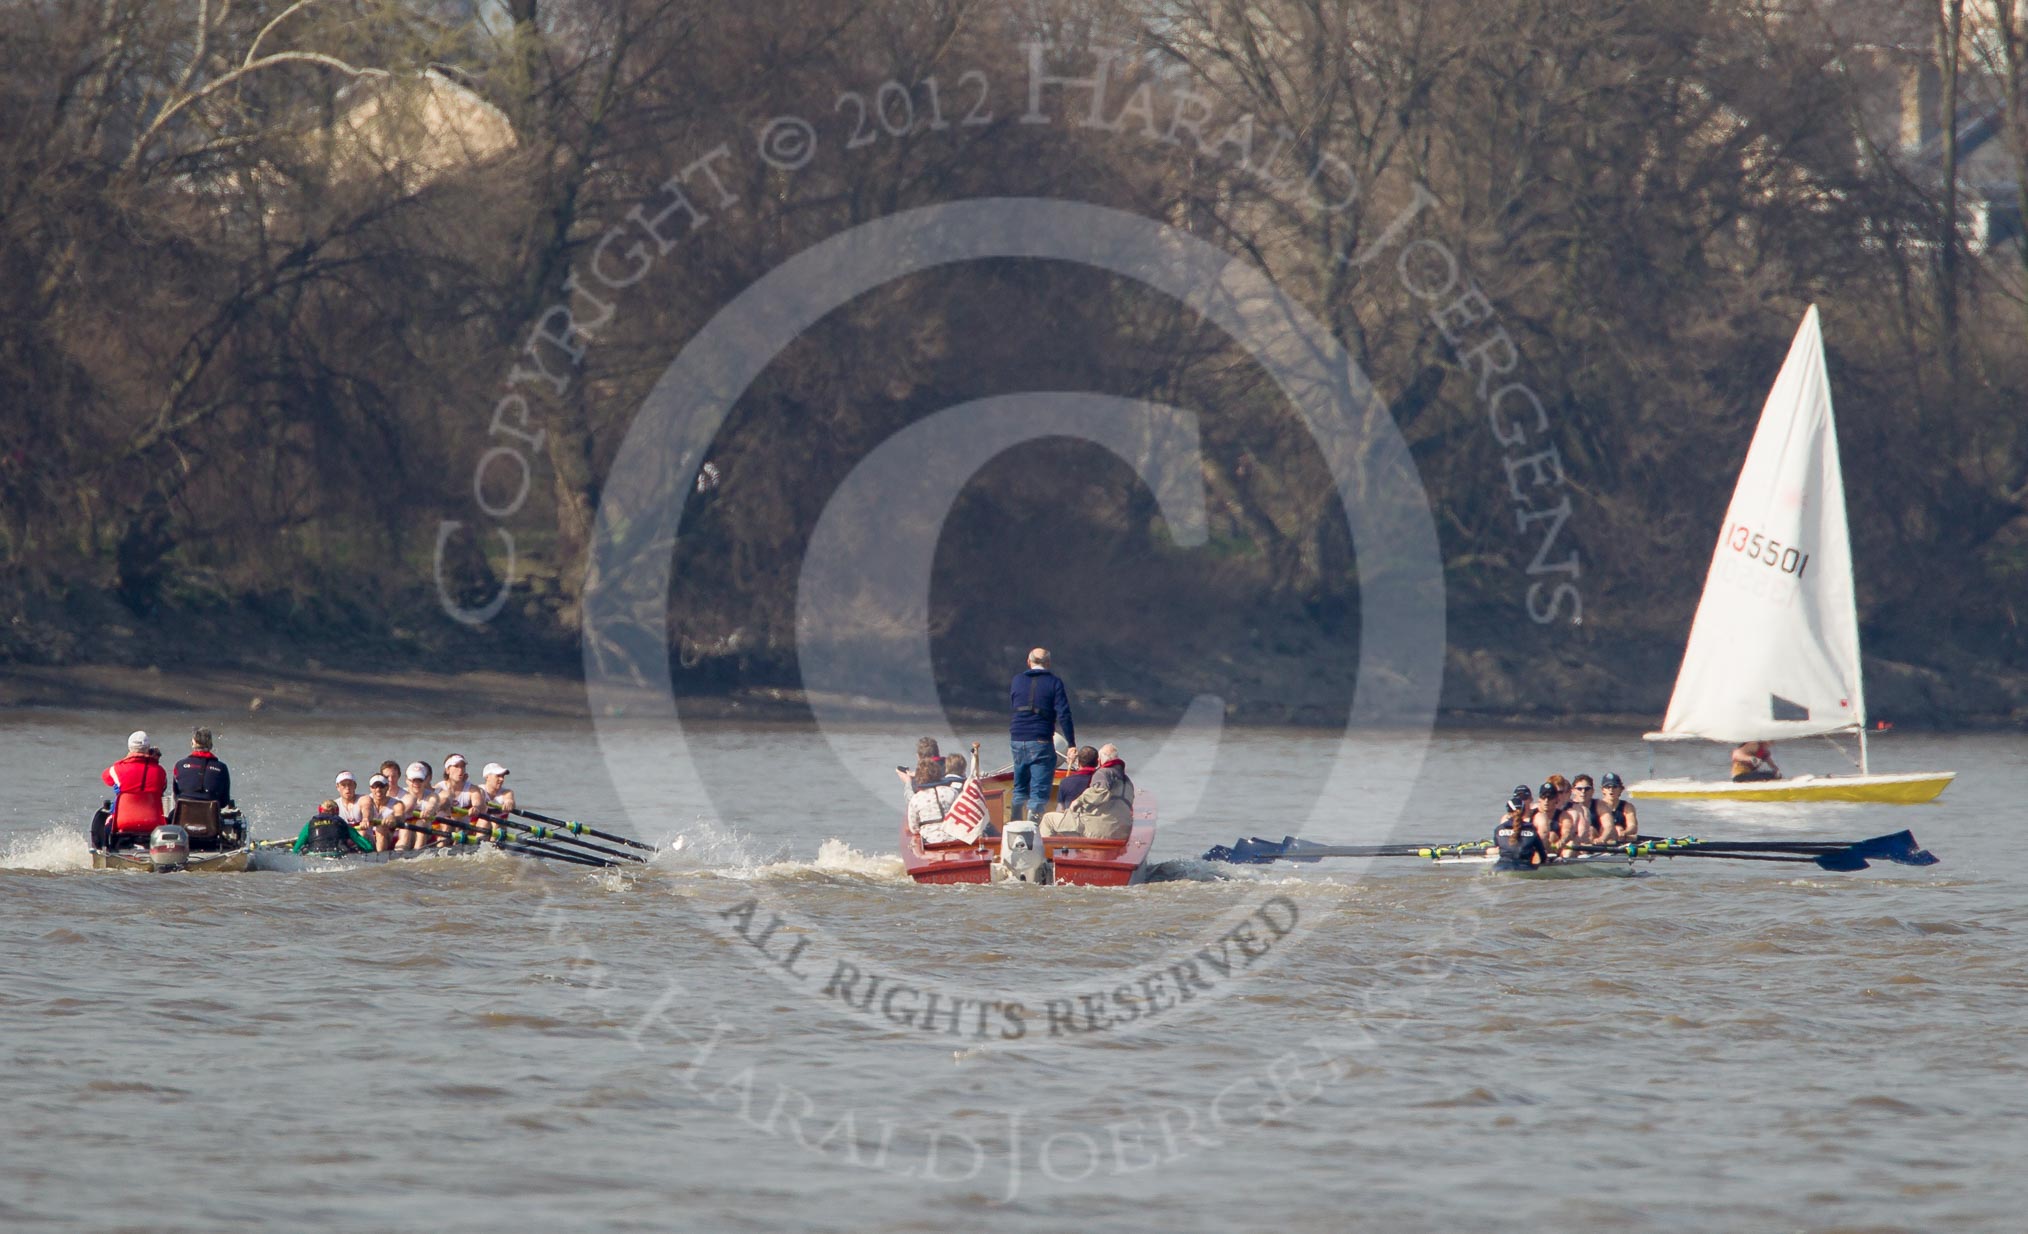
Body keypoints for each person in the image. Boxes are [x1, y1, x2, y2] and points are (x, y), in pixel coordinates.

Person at [1008, 648, 1075, 822]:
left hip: (1017, 737)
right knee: (1039, 790)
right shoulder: (1054, 682)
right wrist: (1072, 743)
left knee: (1020, 786)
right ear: (1048, 664)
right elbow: (1064, 714)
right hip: (1041, 739)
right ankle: (1032, 828)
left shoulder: (1017, 680)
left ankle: (1013, 823)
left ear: (1028, 662)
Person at [1042, 743, 1134, 840]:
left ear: (1100, 760)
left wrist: (1078, 801)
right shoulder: (1127, 781)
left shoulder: (1102, 774)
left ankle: (1046, 853)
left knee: (1048, 819)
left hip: (1097, 831)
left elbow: (1100, 793)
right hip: (1122, 832)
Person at [96, 730, 168, 850]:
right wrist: (153, 761)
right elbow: (163, 788)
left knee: (101, 817)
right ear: (148, 749)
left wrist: (127, 759)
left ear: (129, 748)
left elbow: (106, 777)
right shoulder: (160, 772)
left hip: (123, 823)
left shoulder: (117, 769)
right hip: (153, 824)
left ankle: (102, 850)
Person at [906, 755, 966, 843]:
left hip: (930, 841)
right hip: (955, 838)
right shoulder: (952, 792)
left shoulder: (916, 799)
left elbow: (914, 828)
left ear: (919, 777)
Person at [292, 800, 373, 855]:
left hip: (314, 854)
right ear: (336, 811)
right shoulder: (342, 823)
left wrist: (295, 852)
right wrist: (369, 849)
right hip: (336, 854)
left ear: (320, 810)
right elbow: (365, 845)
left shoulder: (310, 824)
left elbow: (296, 848)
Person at [435, 754, 484, 841]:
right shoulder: (438, 788)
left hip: (463, 829)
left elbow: (477, 802)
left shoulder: (472, 789)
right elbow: (439, 803)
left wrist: (475, 808)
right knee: (447, 822)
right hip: (442, 829)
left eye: (463, 766)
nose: (460, 770)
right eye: (456, 766)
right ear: (447, 770)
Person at [1494, 789, 1547, 868]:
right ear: (1523, 811)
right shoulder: (1531, 830)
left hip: (1501, 867)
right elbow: (1542, 855)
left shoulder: (1499, 829)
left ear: (1508, 811)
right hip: (1525, 867)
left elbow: (1500, 847)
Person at [360, 773, 408, 852]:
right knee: (362, 832)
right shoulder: (365, 801)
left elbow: (400, 816)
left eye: (381, 786)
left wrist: (393, 818)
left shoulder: (397, 804)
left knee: (380, 828)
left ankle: (380, 856)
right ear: (370, 788)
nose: (378, 789)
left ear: (387, 787)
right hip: (370, 837)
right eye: (375, 786)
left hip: (387, 838)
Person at [396, 762, 438, 850]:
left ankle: (417, 852)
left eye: (420, 780)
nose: (416, 783)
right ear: (407, 780)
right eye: (413, 780)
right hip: (401, 832)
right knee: (406, 828)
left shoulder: (432, 796)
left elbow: (432, 805)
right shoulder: (400, 795)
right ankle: (400, 853)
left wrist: (428, 812)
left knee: (421, 824)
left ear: (426, 780)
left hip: (424, 831)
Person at [1595, 772, 1639, 843]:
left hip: (1621, 839)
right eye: (1607, 787)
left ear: (1621, 789)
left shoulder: (1627, 807)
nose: (1611, 790)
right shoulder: (1597, 805)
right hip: (1599, 838)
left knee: (1620, 830)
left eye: (1614, 787)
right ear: (1603, 790)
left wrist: (1624, 832)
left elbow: (1633, 826)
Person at [1054, 747, 1100, 812]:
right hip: (1093, 819)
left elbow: (1060, 809)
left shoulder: (1065, 782)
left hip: (1072, 819)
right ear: (1097, 763)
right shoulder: (1101, 780)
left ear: (1078, 762)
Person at [1566, 774, 1603, 845]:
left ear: (1592, 791)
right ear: (1573, 791)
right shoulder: (1567, 806)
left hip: (1594, 841)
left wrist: (1602, 839)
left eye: (1587, 789)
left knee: (1591, 830)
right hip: (1573, 841)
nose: (1583, 791)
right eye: (1579, 789)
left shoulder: (1600, 805)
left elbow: (1608, 827)